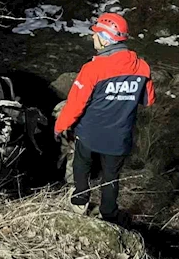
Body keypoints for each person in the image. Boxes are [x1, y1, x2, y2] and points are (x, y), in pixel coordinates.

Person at [54, 12, 155, 224]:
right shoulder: (142, 67)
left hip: (89, 134)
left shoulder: (93, 69)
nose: (92, 37)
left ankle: (80, 201)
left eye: (96, 33)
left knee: (81, 166)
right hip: (119, 136)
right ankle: (108, 213)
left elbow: (75, 104)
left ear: (106, 38)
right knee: (111, 177)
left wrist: (61, 126)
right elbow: (148, 100)